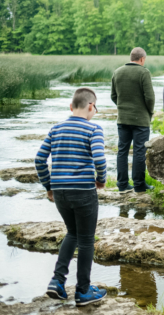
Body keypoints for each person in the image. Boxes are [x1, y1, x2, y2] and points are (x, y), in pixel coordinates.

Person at [34, 87, 108, 306]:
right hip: (83, 191)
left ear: (70, 106)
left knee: (72, 233)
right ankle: (83, 291)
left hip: (60, 192)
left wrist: (49, 186)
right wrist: (101, 179)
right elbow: (100, 160)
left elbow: (39, 160)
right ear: (91, 106)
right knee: (86, 240)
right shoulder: (93, 129)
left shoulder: (55, 129)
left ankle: (57, 281)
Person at [111, 47, 155, 194]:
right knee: (139, 151)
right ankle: (139, 185)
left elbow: (113, 95)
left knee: (122, 151)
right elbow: (149, 97)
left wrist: (122, 107)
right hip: (141, 120)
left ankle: (122, 185)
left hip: (122, 119)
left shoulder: (117, 72)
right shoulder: (144, 72)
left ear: (131, 57)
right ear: (142, 59)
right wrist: (149, 111)